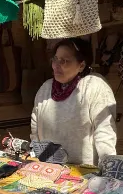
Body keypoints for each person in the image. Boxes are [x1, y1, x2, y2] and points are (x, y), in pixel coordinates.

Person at [30, 37, 117, 165]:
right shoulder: (46, 89)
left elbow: (104, 131)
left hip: (84, 172)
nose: (56, 66)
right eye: (55, 59)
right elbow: (35, 129)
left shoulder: (94, 86)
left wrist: (108, 168)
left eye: (64, 61)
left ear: (81, 65)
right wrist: (38, 160)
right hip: (48, 169)